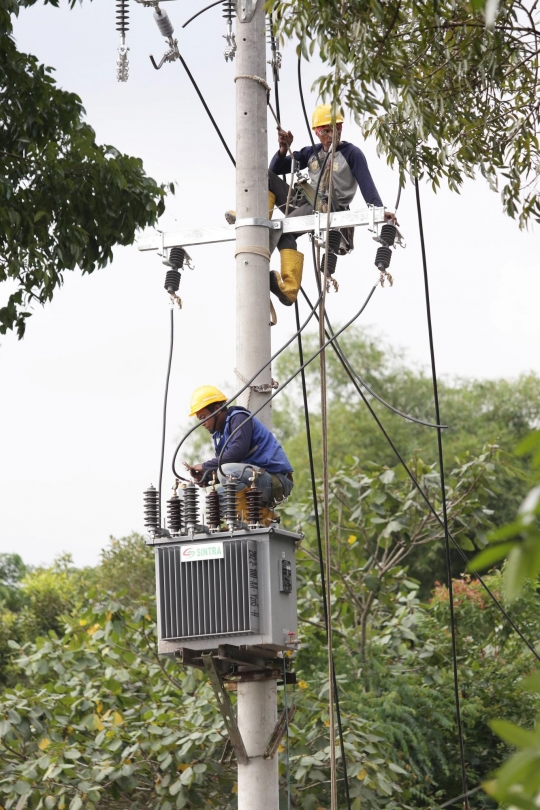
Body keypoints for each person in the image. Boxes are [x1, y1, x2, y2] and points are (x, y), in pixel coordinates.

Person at [266, 103, 397, 307]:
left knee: (285, 230)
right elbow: (277, 168)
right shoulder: (311, 153)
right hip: (303, 202)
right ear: (316, 132)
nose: (330, 133)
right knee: (266, 176)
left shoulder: (351, 153)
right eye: (325, 129)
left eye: (334, 128)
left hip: (327, 208)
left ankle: (289, 289)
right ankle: (254, 220)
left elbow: (366, 183)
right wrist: (284, 149)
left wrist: (379, 211)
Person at [184, 385, 294, 526]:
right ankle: (261, 519)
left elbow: (237, 452)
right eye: (200, 419)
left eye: (204, 417)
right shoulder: (219, 435)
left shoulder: (239, 417)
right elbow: (226, 473)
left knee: (226, 471)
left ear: (217, 409)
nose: (203, 423)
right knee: (216, 498)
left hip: (277, 480)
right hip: (256, 480)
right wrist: (206, 478)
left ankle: (255, 520)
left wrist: (205, 466)